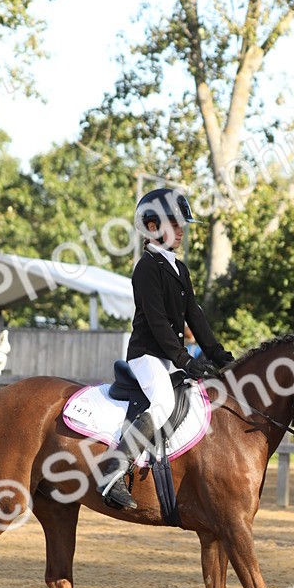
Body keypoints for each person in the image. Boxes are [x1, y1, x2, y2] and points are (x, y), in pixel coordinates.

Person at [97, 187, 234, 510]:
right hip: (147, 355)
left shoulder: (179, 269)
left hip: (169, 357)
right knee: (161, 402)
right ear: (153, 226)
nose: (182, 229)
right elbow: (158, 322)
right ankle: (114, 471)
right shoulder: (146, 268)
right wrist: (185, 359)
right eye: (175, 222)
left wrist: (219, 355)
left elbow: (195, 317)